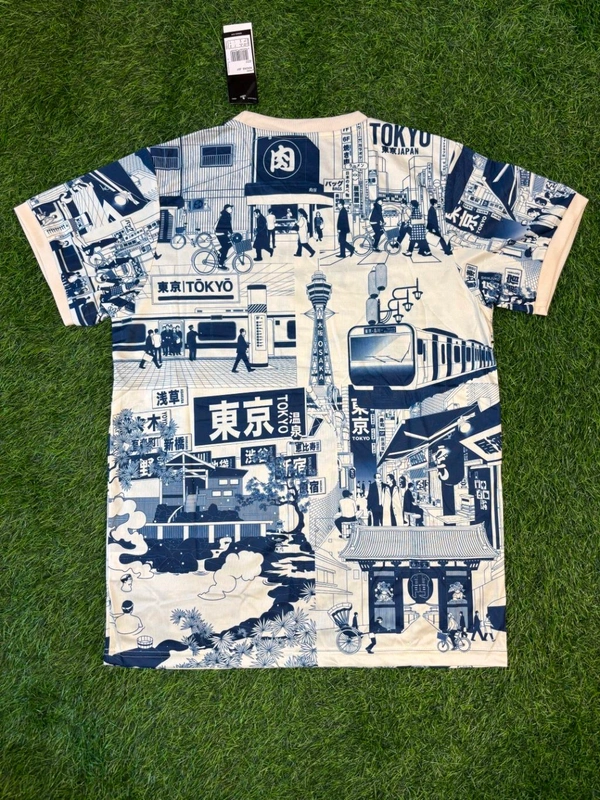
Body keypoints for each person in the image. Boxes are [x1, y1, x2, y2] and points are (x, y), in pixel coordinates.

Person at [215, 203, 233, 269]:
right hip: (220, 233)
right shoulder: (226, 216)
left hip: (222, 233)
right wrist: (229, 234)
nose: (231, 209)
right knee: (225, 248)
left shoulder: (226, 215)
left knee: (230, 243)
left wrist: (231, 233)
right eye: (230, 208)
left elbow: (228, 226)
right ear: (227, 209)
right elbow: (226, 226)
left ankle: (219, 252)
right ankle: (220, 264)